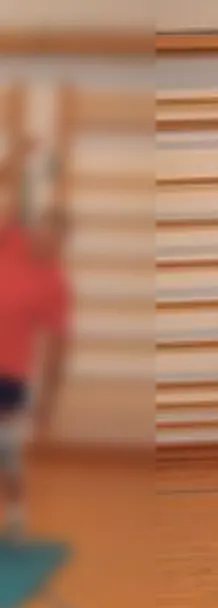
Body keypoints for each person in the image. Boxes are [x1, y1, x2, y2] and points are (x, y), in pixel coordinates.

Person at [0, 137, 68, 538]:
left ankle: (16, 513)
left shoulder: (55, 283)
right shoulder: (13, 243)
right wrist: (18, 161)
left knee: (6, 448)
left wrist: (48, 401)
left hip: (11, 375)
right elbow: (12, 196)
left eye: (53, 236)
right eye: (40, 231)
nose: (44, 239)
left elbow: (58, 347)